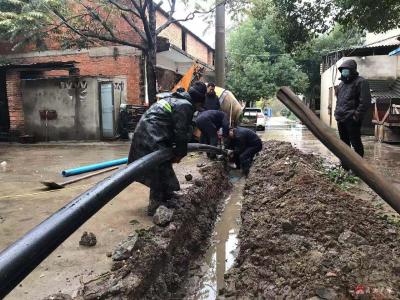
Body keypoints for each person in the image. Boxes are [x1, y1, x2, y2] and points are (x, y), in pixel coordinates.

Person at [128, 81, 207, 216]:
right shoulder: (185, 106)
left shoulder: (175, 99)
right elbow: (181, 134)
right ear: (197, 101)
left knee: (163, 169)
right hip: (151, 136)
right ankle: (156, 205)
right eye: (199, 106)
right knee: (159, 171)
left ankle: (168, 196)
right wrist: (179, 154)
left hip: (146, 134)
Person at [334, 59, 371, 169]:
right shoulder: (341, 84)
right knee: (344, 144)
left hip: (352, 119)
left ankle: (358, 168)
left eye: (347, 70)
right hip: (341, 119)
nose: (344, 72)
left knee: (356, 144)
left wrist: (356, 116)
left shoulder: (361, 82)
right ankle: (345, 166)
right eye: (343, 70)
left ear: (352, 70)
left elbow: (365, 102)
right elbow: (339, 100)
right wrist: (337, 114)